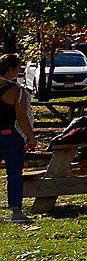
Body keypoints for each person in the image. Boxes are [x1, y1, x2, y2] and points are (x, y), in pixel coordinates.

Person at [0, 54, 36, 225]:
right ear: (10, 70)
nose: (20, 70)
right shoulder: (15, 90)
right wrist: (31, 136)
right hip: (9, 135)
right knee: (14, 174)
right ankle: (16, 211)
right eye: (18, 68)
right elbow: (21, 117)